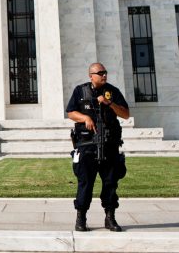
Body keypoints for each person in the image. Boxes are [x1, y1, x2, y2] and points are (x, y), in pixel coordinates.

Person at [66, 62, 130, 232]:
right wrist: (85, 118)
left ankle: (110, 218)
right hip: (87, 145)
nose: (104, 75)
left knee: (110, 182)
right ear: (91, 75)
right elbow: (71, 112)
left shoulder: (113, 91)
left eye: (105, 72)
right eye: (100, 73)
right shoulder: (80, 91)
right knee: (85, 182)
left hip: (109, 145)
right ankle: (81, 218)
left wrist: (109, 103)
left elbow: (125, 114)